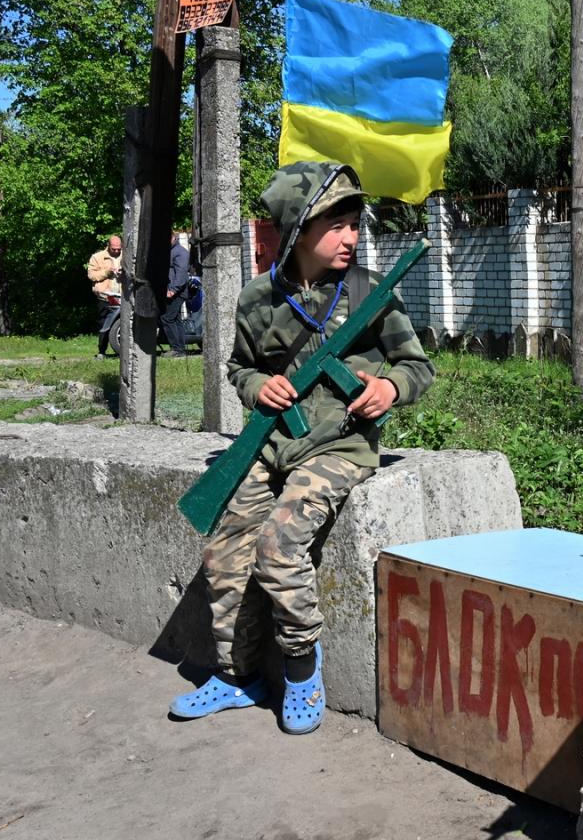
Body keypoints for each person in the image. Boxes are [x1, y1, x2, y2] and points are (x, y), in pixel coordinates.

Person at [169, 161, 435, 734]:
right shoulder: (257, 299)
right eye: (335, 225)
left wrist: (388, 387)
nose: (351, 237)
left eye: (354, 224)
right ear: (297, 230)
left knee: (280, 544)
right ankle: (238, 674)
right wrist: (256, 386)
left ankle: (300, 669)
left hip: (339, 448)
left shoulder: (370, 294)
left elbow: (418, 367)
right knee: (223, 548)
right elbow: (238, 367)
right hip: (272, 445)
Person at [85, 235, 124, 358]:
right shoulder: (97, 257)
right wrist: (107, 272)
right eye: (114, 249)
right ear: (108, 246)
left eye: (119, 249)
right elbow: (91, 275)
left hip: (123, 297)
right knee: (104, 325)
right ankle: (102, 351)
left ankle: (122, 351)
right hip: (105, 297)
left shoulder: (126, 256)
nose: (117, 251)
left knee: (123, 325)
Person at [161, 230, 191, 358]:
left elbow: (181, 273)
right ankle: (180, 349)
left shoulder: (180, 252)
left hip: (176, 292)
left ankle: (176, 349)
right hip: (174, 290)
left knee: (167, 318)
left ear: (173, 237)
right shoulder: (172, 251)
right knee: (176, 319)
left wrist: (173, 289)